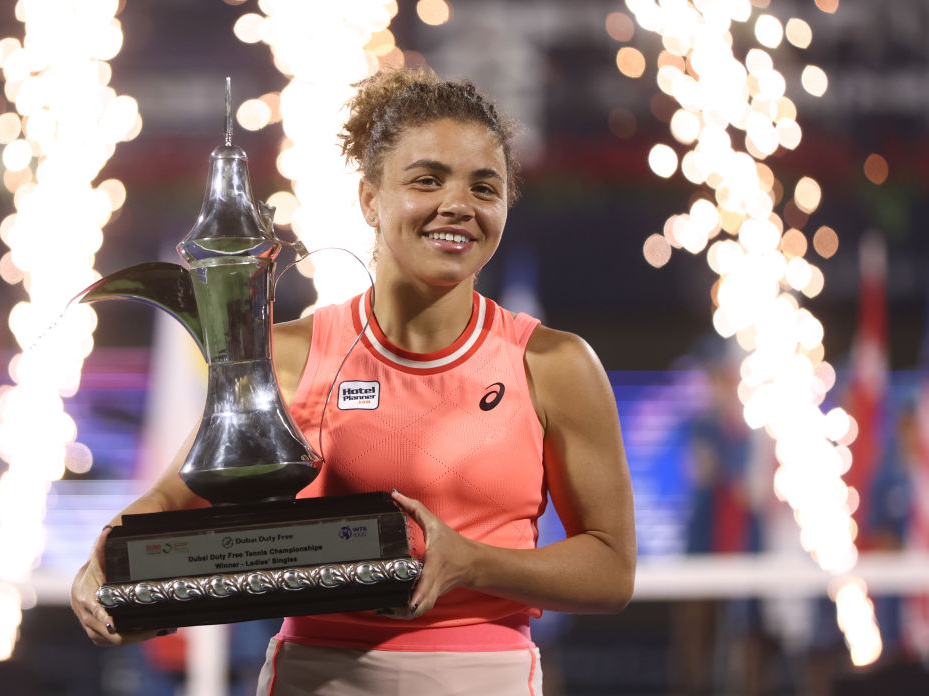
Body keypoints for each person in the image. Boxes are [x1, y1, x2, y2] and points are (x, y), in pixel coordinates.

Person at [71, 68, 636, 695]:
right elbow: (171, 502)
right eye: (427, 180)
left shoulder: (555, 365)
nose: (458, 205)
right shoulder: (287, 356)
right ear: (370, 198)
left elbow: (611, 569)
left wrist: (472, 563)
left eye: (485, 187)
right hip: (318, 677)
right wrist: (103, 567)